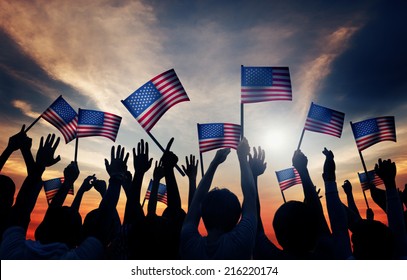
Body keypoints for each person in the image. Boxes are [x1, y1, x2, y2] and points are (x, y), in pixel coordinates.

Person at [180, 137, 257, 259]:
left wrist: (214, 163)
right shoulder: (241, 242)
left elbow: (197, 201)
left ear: (203, 212)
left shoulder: (189, 243)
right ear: (237, 215)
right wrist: (242, 157)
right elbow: (251, 195)